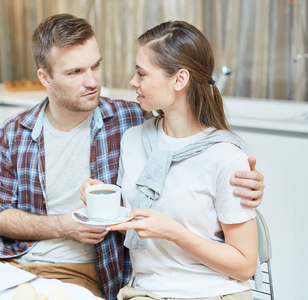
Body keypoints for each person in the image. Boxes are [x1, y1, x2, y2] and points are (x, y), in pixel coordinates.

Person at [0, 14, 264, 300]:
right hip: (21, 262)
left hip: (96, 273)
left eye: (96, 66)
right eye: (75, 72)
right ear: (45, 78)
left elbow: (197, 142)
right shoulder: (16, 132)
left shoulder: (128, 120)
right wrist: (70, 219)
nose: (92, 81)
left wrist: (245, 180)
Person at [101, 21, 258, 300]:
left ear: (179, 80)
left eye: (141, 73)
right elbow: (132, 215)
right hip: (146, 292)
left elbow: (244, 265)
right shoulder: (133, 140)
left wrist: (173, 232)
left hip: (216, 293)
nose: (133, 82)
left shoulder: (225, 157)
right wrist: (98, 199)